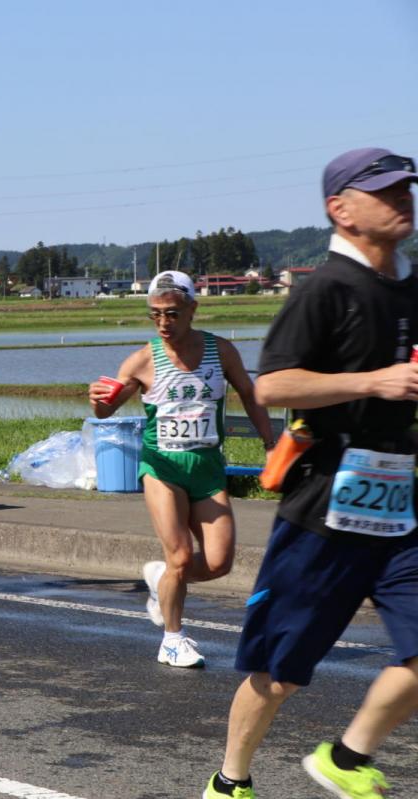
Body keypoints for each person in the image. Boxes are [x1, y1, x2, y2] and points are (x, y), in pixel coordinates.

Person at [203, 148, 418, 799]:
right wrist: (375, 381)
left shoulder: (409, 284)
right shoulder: (325, 288)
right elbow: (272, 384)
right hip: (327, 502)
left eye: (407, 187)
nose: (403, 198)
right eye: (385, 190)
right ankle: (229, 779)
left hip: (401, 501)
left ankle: (347, 760)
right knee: (282, 669)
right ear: (341, 209)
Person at [88, 270, 274, 668]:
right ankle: (173, 639)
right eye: (155, 314)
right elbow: (107, 408)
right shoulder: (142, 360)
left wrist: (271, 443)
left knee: (220, 561)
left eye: (172, 313)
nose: (163, 323)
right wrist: (97, 401)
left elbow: (251, 395)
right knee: (180, 556)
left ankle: (161, 581)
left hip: (206, 467)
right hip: (162, 466)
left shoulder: (220, 351)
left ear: (192, 308)